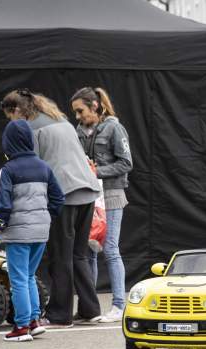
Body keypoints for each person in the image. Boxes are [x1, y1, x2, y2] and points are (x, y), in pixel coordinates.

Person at [1, 89, 103, 328]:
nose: (11, 123)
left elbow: (29, 167)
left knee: (60, 256)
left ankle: (60, 314)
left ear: (16, 110)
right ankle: (90, 309)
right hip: (87, 191)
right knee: (79, 254)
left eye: (9, 117)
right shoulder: (62, 121)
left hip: (64, 195)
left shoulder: (32, 129)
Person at [0, 120, 65, 341]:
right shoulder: (44, 166)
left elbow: (2, 203)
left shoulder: (8, 169)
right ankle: (34, 321)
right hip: (41, 229)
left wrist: (0, 223)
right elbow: (58, 198)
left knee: (18, 279)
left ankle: (22, 326)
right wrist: (45, 217)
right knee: (29, 276)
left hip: (17, 232)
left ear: (9, 143)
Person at [71, 87, 133, 323]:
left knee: (110, 249)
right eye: (75, 112)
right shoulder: (79, 130)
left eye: (80, 111)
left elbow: (127, 162)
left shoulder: (114, 127)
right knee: (88, 251)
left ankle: (119, 305)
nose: (77, 116)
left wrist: (98, 170)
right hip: (89, 196)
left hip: (112, 194)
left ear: (94, 106)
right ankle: (90, 306)